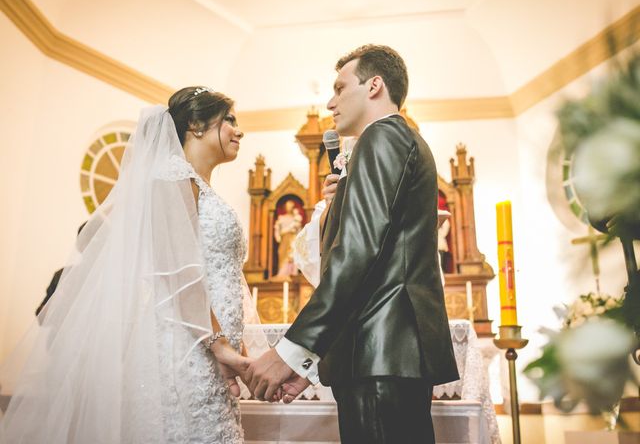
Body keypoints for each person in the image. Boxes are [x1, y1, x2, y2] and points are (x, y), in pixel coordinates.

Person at [0, 87, 258, 443]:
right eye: (229, 119)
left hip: (208, 351)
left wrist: (233, 349)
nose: (238, 130)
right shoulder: (171, 177)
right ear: (196, 124)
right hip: (187, 350)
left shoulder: (199, 187)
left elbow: (219, 277)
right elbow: (178, 272)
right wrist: (220, 345)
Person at [247, 45, 459, 444]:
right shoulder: (397, 140)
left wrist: (290, 352)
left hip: (380, 353)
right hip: (382, 354)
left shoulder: (381, 138)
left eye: (340, 88)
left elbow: (357, 253)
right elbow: (377, 254)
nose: (330, 102)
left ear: (375, 85)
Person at [273, 200, 303, 279]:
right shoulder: (281, 218)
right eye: (287, 205)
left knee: (292, 256)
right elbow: (277, 229)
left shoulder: (296, 218)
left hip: (293, 239)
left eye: (291, 205)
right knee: (282, 255)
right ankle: (282, 275)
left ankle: (293, 274)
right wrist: (277, 237)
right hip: (284, 240)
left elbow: (299, 231)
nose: (289, 207)